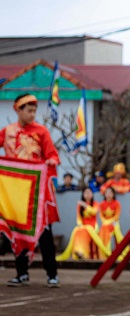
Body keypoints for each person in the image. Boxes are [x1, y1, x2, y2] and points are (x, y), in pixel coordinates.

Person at [2, 94, 61, 287]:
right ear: (18, 110)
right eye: (29, 111)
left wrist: (51, 161)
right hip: (16, 192)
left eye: (34, 111)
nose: (32, 114)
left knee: (44, 232)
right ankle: (22, 273)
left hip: (38, 192)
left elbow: (52, 154)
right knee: (17, 232)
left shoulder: (41, 131)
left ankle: (52, 274)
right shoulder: (8, 132)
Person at [57, 187, 108, 260]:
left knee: (85, 231)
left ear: (92, 194)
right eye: (86, 193)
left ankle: (83, 252)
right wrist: (80, 224)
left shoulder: (95, 204)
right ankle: (79, 251)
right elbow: (79, 217)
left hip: (92, 226)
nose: (87, 194)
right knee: (77, 231)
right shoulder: (79, 205)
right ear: (83, 194)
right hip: (83, 226)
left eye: (89, 193)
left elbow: (94, 212)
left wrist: (84, 205)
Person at [98, 187, 123, 259]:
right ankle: (105, 252)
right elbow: (101, 216)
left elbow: (116, 216)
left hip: (114, 222)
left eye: (110, 193)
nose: (109, 195)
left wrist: (109, 222)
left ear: (113, 194)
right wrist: (106, 222)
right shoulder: (102, 204)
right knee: (104, 228)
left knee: (112, 228)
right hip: (105, 223)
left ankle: (113, 251)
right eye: (107, 193)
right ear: (104, 194)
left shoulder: (117, 203)